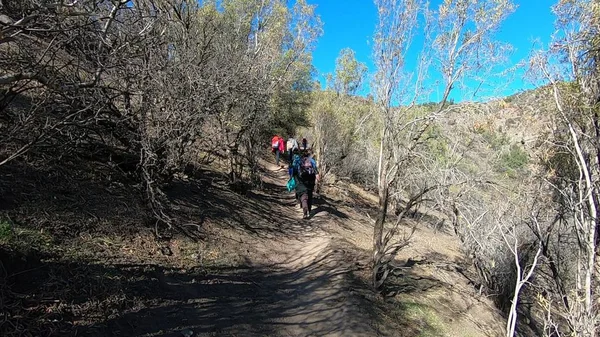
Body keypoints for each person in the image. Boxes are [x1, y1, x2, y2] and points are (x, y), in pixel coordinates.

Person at [292, 149, 319, 219]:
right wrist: (317, 179)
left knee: (303, 195)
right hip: (311, 179)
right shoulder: (312, 160)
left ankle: (305, 210)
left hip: (301, 180)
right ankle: (309, 210)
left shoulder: (298, 160)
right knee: (309, 194)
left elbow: (293, 170)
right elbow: (316, 170)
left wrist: (293, 177)